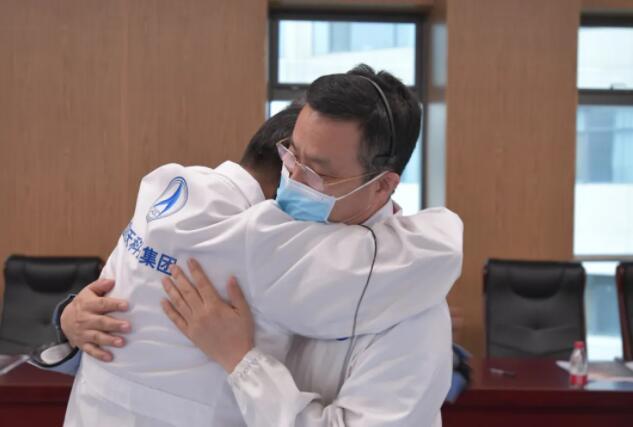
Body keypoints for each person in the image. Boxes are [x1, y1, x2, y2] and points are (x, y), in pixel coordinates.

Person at [48, 65, 463, 426]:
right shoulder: (265, 235)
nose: (293, 180)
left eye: (318, 172)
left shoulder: (407, 304)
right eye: (291, 156)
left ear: (383, 185)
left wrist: (243, 363)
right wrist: (72, 319)